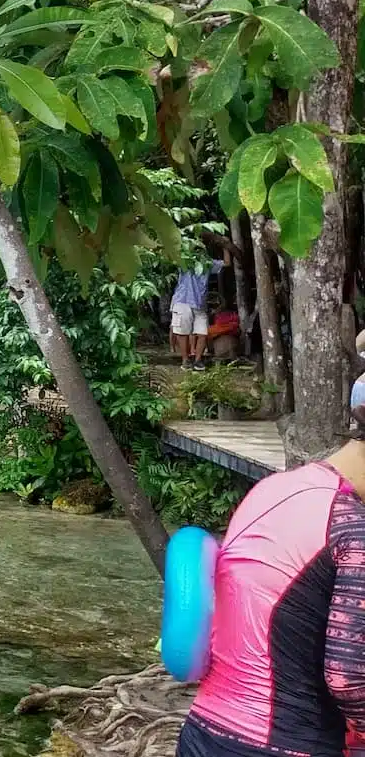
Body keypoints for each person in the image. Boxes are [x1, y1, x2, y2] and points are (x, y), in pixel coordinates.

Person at [174, 384, 365, 757]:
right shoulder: (352, 528)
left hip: (202, 734)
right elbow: (350, 676)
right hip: (287, 743)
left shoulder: (272, 489)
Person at [171, 252, 224, 369]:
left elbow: (227, 263)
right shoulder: (184, 260)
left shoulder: (208, 263)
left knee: (203, 333)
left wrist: (225, 245)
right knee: (182, 333)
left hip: (200, 304)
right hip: (183, 300)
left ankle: (197, 360)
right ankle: (185, 360)